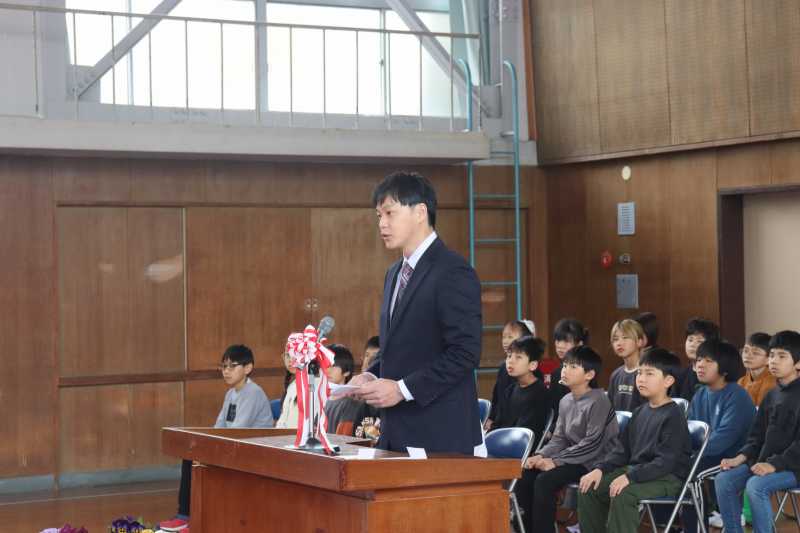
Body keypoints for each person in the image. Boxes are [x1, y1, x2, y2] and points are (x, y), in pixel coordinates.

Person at [343, 171, 483, 455]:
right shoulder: (394, 273)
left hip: (439, 434)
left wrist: (401, 390)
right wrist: (370, 376)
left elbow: (465, 353)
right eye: (378, 216)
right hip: (395, 431)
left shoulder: (452, 270)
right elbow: (400, 350)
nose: (382, 223)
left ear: (420, 212)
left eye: (390, 213)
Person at [577, 349, 692, 533]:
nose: (641, 379)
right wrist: (600, 469)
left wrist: (630, 477)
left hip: (667, 477)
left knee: (624, 493)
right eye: (639, 373)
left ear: (668, 381)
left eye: (649, 374)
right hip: (637, 471)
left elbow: (665, 463)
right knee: (589, 487)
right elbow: (622, 451)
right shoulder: (639, 411)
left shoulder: (673, 415)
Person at [161, 345, 273, 532]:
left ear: (248, 368)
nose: (226, 371)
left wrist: (211, 447)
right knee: (190, 455)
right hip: (234, 447)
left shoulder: (253, 392)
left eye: (232, 366)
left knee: (197, 459)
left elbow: (238, 430)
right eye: (224, 366)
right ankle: (186, 516)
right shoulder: (230, 394)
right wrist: (204, 443)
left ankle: (188, 517)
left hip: (253, 453)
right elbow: (219, 426)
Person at [515, 346, 618, 533]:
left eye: (573, 367)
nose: (565, 370)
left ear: (589, 375)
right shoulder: (565, 400)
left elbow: (592, 444)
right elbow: (559, 439)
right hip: (573, 458)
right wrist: (540, 455)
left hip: (595, 462)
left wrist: (555, 461)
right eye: (564, 365)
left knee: (545, 480)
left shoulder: (599, 400)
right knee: (526, 474)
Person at [714, 330, 800, 533]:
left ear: (798, 363)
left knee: (756, 486)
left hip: (794, 467)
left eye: (782, 356)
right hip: (767, 462)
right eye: (772, 355)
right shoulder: (772, 395)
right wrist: (740, 457)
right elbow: (756, 436)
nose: (774, 361)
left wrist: (774, 465)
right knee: (724, 480)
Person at [686, 339, 754, 532]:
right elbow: (690, 432)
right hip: (707, 455)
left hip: (733, 457)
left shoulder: (737, 395)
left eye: (708, 361)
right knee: (673, 464)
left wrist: (689, 453)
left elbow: (724, 438)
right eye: (699, 359)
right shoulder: (700, 394)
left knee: (688, 469)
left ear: (724, 368)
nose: (700, 365)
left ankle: (697, 527)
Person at [491, 336, 549, 438]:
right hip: (503, 441)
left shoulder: (539, 392)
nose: (510, 361)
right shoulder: (510, 390)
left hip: (522, 444)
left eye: (518, 357)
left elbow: (525, 431)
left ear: (532, 365)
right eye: (509, 356)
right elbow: (497, 424)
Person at [485, 319, 534, 431]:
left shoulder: (530, 369)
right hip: (500, 425)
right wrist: (491, 418)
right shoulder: (503, 367)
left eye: (510, 337)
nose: (505, 341)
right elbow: (496, 398)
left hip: (518, 428)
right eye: (504, 337)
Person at [548, 318, 589, 425]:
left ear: (579, 344)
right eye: (558, 341)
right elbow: (555, 410)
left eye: (566, 342)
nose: (560, 346)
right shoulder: (556, 373)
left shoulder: (586, 371)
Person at [674, 318, 720, 401]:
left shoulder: (717, 376)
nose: (692, 345)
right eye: (690, 340)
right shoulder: (680, 376)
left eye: (699, 341)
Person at [324, 344, 366, 435]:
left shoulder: (350, 403)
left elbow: (345, 437)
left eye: (333, 366)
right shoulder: (321, 399)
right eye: (325, 365)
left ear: (347, 372)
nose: (327, 370)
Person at [607, 319, 646, 412]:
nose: (619, 343)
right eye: (615, 339)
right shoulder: (616, 375)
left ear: (639, 341)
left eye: (625, 337)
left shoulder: (646, 374)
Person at [737, 332, 776, 407]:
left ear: (769, 359)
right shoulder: (741, 381)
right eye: (745, 351)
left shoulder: (773, 381)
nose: (747, 355)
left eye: (755, 353)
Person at [276, 337, 299, 429]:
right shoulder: (291, 386)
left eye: (295, 355)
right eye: (287, 355)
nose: (290, 360)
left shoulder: (314, 385)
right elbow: (281, 423)